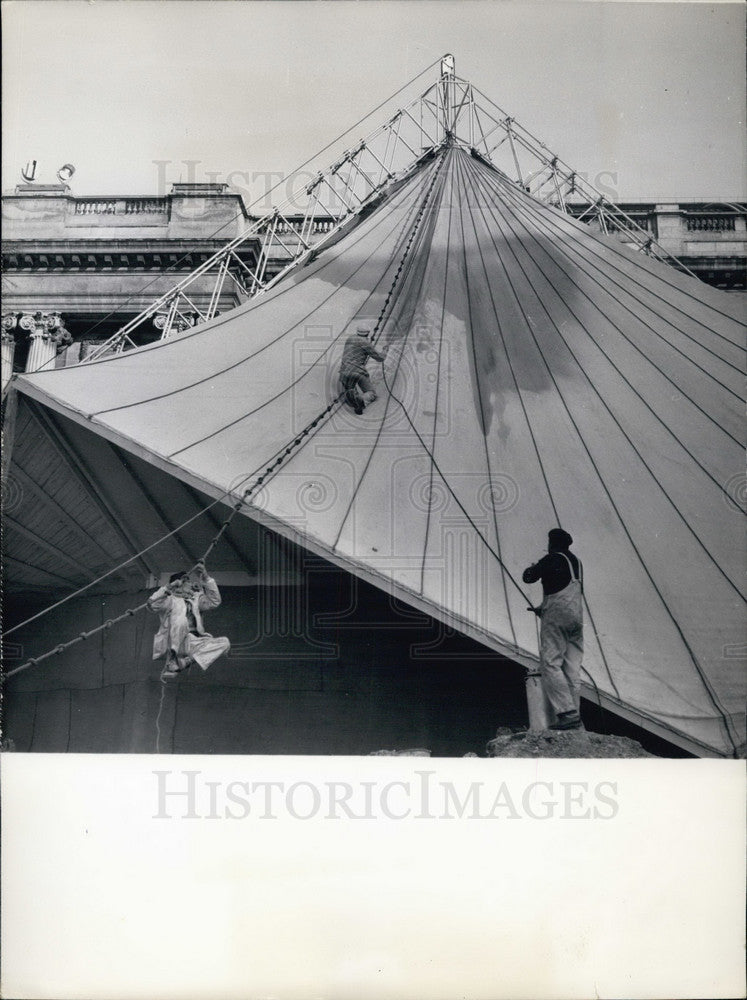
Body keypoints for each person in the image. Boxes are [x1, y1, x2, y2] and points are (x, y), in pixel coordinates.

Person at [522, 528, 584, 730]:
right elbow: (562, 590)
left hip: (556, 618)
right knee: (572, 668)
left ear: (552, 543)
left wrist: (534, 567)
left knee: (550, 662)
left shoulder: (551, 559)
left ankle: (566, 713)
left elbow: (528, 577)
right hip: (575, 618)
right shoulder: (576, 563)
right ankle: (575, 715)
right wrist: (544, 607)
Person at [147, 560, 230, 678]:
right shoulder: (169, 600)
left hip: (192, 642)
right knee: (182, 621)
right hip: (174, 642)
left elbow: (214, 601)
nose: (191, 584)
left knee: (225, 643)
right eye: (187, 582)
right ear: (179, 585)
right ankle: (172, 660)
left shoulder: (195, 599)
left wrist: (205, 577)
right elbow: (152, 604)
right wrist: (169, 587)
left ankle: (186, 662)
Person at [339, 325, 388, 414]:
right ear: (367, 333)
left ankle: (352, 397)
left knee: (350, 389)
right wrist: (385, 350)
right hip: (357, 371)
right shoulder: (366, 343)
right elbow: (380, 358)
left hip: (344, 372)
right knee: (371, 393)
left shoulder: (350, 339)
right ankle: (361, 400)